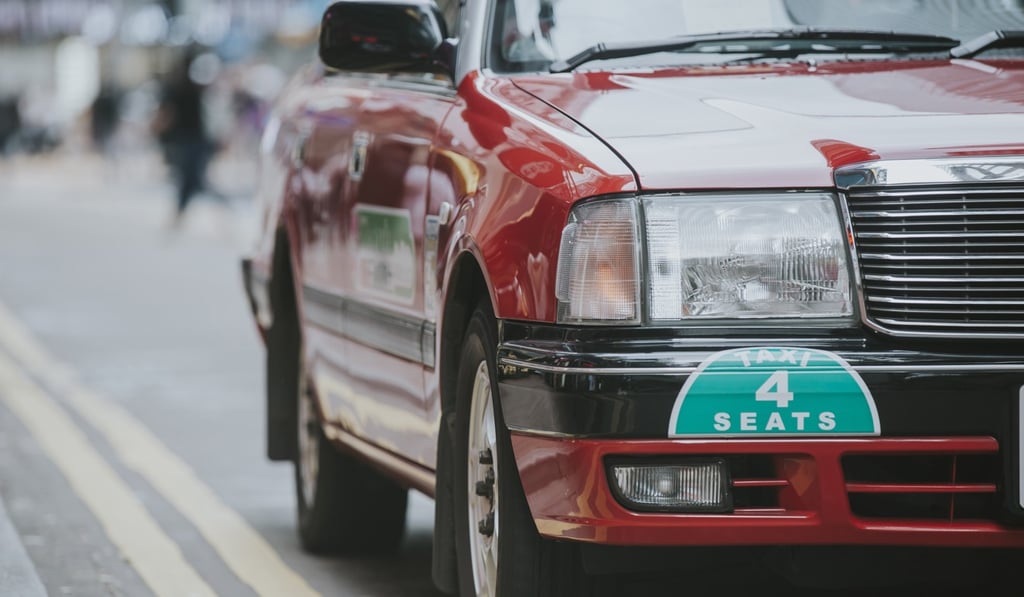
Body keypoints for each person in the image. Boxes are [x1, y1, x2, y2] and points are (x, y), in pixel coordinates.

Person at [152, 51, 221, 227]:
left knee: (192, 180)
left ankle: (181, 214)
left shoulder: (177, 88)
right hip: (193, 140)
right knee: (193, 180)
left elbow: (166, 115)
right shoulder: (193, 88)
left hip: (187, 140)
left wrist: (157, 130)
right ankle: (185, 214)